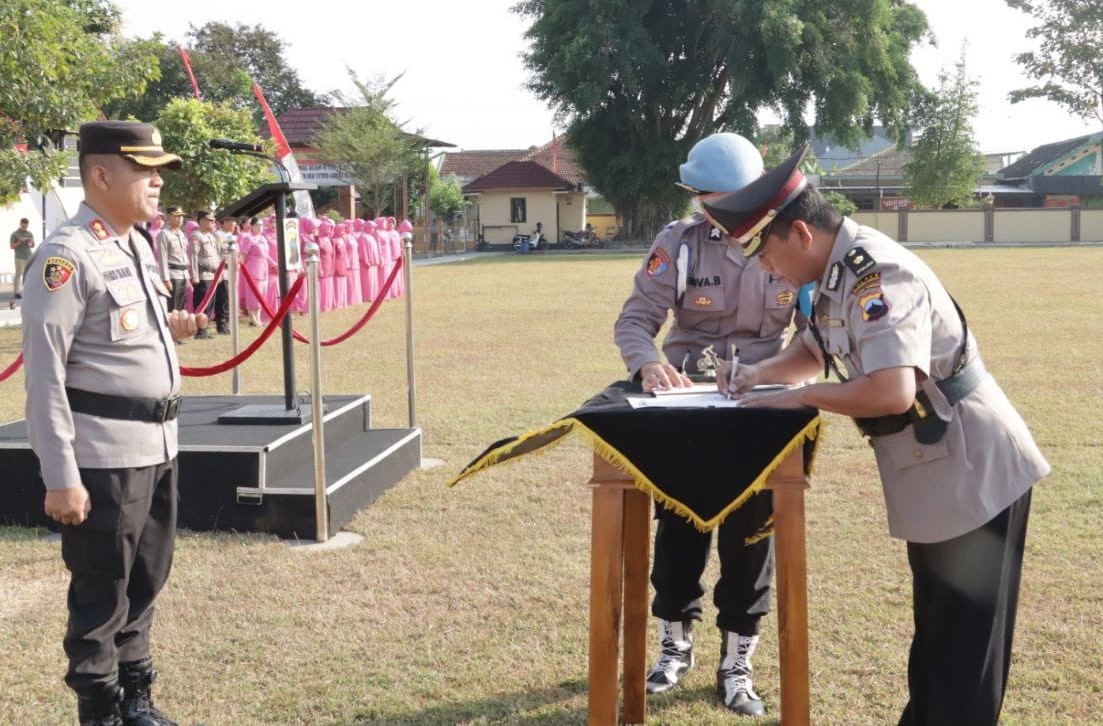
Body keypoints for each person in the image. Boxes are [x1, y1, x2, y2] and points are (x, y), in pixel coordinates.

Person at [705, 145, 1050, 725]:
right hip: (936, 464)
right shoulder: (834, 272)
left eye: (763, 252)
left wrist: (804, 396)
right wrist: (757, 376)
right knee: (937, 642)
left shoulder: (876, 273)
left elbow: (892, 391)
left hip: (971, 467)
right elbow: (814, 349)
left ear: (800, 234)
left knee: (961, 654)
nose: (763, 268)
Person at [21, 120, 207, 726]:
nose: (158, 181)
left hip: (156, 448)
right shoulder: (65, 256)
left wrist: (172, 329)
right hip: (103, 459)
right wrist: (61, 477)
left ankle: (135, 699)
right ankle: (99, 711)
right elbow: (45, 376)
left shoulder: (136, 245)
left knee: (146, 581)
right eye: (144, 169)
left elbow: (119, 336)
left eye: (158, 170)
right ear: (101, 175)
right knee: (102, 593)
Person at [613, 132, 804, 716]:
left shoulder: (788, 243)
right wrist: (647, 364)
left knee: (752, 535)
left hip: (761, 408)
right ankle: (675, 645)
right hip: (686, 405)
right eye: (704, 199)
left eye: (722, 199)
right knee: (679, 526)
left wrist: (776, 376)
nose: (713, 210)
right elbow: (635, 319)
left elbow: (817, 333)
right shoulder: (679, 243)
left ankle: (737, 661)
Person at [188, 210, 220, 339]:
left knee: (210, 304)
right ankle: (200, 331)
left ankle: (205, 328)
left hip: (212, 275)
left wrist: (218, 274)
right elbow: (193, 256)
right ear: (201, 221)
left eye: (213, 220)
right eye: (209, 220)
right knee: (202, 303)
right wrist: (194, 275)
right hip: (202, 275)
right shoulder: (196, 236)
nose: (213, 222)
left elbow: (215, 256)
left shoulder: (210, 236)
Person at [156, 206, 189, 313]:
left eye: (181, 216)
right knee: (172, 308)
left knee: (180, 307)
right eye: (177, 216)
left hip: (183, 274)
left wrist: (187, 275)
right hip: (172, 275)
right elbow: (162, 258)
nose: (180, 219)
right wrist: (165, 279)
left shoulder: (181, 234)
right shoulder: (164, 234)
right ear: (169, 217)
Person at [213, 215, 237, 335]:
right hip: (223, 269)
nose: (233, 226)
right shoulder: (218, 235)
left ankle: (227, 322)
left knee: (229, 298)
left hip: (231, 269)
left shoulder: (230, 236)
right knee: (223, 298)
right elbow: (217, 254)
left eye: (234, 224)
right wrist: (219, 272)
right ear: (224, 223)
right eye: (231, 223)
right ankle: (221, 324)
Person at [10, 217, 35, 299]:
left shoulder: (30, 234)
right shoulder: (15, 234)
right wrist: (20, 241)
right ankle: (16, 292)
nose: (25, 228)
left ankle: (27, 291)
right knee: (18, 274)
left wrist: (30, 242)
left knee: (29, 274)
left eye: (26, 226)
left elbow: (32, 245)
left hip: (29, 256)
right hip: (19, 257)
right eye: (23, 226)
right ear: (20, 224)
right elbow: (12, 246)